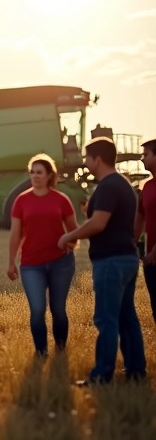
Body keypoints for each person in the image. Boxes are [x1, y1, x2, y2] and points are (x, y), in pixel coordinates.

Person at [58, 137, 145, 384]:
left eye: (87, 158)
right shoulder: (124, 185)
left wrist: (69, 236)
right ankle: (136, 372)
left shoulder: (108, 186)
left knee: (106, 319)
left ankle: (101, 375)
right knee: (127, 317)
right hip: (127, 258)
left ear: (97, 159)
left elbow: (98, 223)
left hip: (111, 261)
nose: (85, 163)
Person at [7, 155, 79, 356]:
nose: (35, 176)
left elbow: (74, 230)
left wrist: (70, 243)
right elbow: (15, 234)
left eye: (39, 172)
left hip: (61, 263)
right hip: (31, 264)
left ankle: (61, 350)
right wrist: (11, 262)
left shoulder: (61, 200)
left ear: (49, 175)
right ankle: (41, 352)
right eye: (32, 172)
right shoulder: (21, 201)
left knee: (58, 309)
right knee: (38, 309)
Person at [136, 137, 156, 327]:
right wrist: (130, 244)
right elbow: (140, 216)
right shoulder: (147, 186)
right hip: (151, 261)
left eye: (146, 155)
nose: (142, 159)